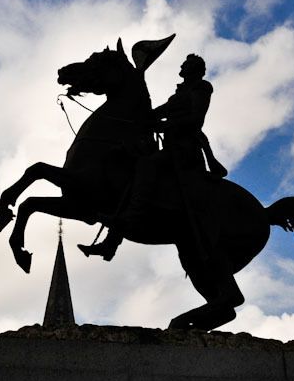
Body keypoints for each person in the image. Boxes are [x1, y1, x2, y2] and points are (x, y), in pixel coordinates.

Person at [79, 53, 227, 260]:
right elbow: (161, 111)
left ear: (195, 69)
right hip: (170, 145)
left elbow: (195, 119)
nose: (181, 68)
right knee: (129, 166)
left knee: (146, 165)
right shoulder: (181, 91)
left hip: (185, 148)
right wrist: (142, 117)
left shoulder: (201, 88)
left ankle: (133, 215)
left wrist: (164, 125)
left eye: (186, 65)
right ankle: (110, 244)